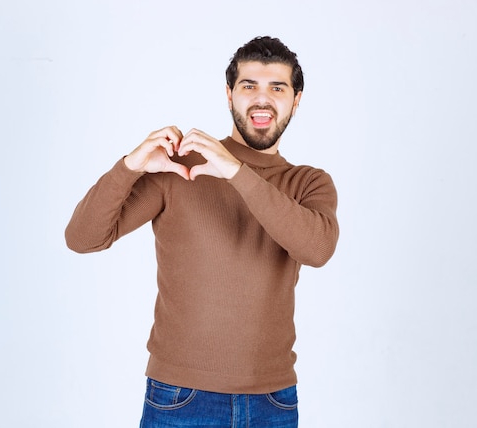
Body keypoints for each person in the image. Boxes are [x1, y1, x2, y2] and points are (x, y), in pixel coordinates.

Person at [65, 36, 339, 428]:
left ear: (296, 101)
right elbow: (82, 238)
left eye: (277, 88)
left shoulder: (309, 183)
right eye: (249, 86)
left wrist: (236, 172)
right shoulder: (179, 169)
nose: (262, 100)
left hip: (273, 403)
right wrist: (130, 166)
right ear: (229, 95)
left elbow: (317, 249)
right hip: (180, 396)